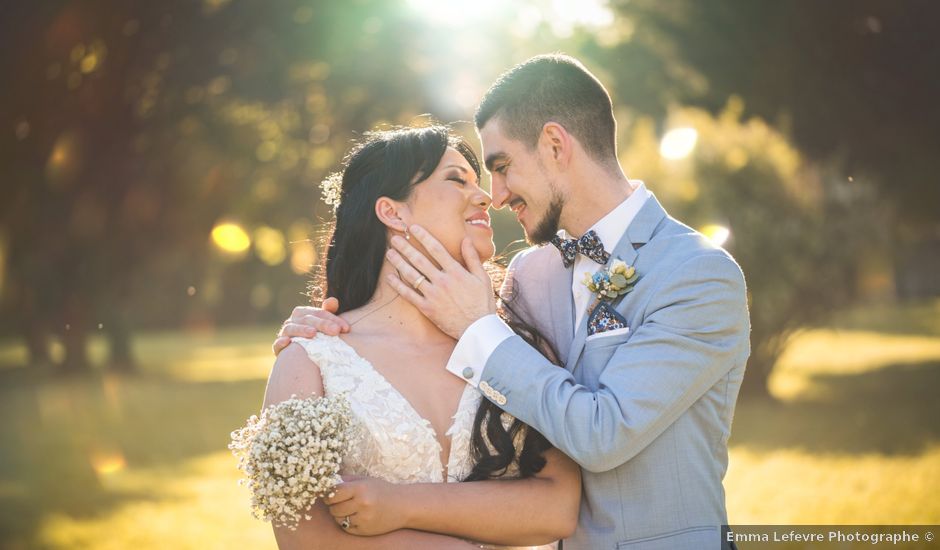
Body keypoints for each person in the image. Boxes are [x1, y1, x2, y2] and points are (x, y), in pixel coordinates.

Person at [277, 54, 750, 550]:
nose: (495, 196)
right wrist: (324, 336)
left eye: (501, 167)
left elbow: (604, 434)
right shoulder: (530, 274)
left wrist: (480, 327)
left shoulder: (698, 274)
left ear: (553, 144)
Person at [262, 124, 580, 550]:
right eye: (456, 179)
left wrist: (402, 505)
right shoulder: (310, 362)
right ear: (392, 212)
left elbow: (558, 508)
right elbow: (304, 538)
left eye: (478, 182)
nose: (486, 196)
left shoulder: (517, 347)